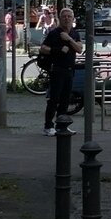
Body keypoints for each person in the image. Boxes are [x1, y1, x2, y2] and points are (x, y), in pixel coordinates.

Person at [40, 8, 83, 136]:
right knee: (54, 99)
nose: (67, 19)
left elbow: (79, 49)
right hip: (57, 69)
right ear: (60, 18)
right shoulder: (54, 33)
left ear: (73, 19)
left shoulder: (74, 34)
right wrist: (56, 50)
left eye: (69, 16)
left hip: (70, 70)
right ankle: (48, 126)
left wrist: (69, 39)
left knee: (65, 99)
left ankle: (61, 125)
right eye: (64, 16)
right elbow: (43, 48)